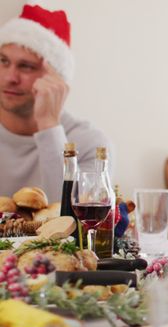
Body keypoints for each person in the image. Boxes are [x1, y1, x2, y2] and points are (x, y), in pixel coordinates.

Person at [0, 5, 111, 200]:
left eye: (26, 66)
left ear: (57, 79)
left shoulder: (89, 144)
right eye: (3, 61)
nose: (10, 77)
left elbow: (70, 220)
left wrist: (48, 125)